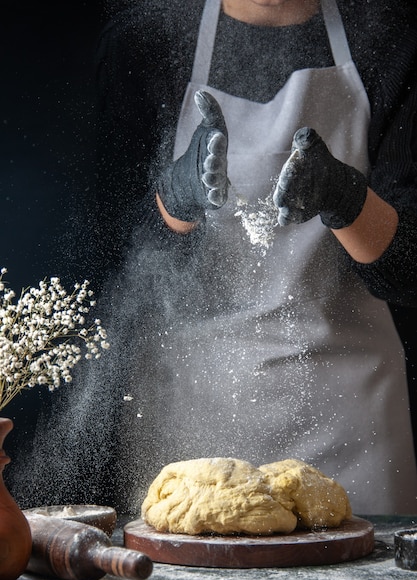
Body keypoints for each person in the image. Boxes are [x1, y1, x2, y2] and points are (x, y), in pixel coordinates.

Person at [82, 0, 417, 515]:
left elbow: (411, 270)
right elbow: (107, 254)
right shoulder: (143, 41)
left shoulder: (389, 37)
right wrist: (176, 200)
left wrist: (345, 198)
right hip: (192, 408)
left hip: (349, 410)